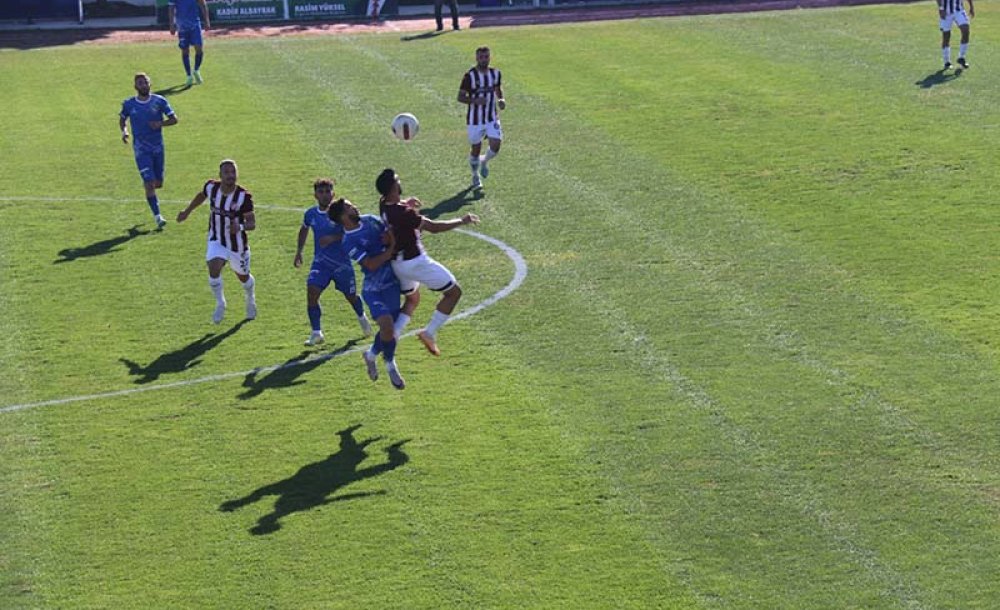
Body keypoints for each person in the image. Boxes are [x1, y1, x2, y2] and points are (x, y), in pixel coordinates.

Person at [375, 169, 479, 357]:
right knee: (454, 293)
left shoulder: (383, 205)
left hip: (398, 265)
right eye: (398, 180)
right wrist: (462, 221)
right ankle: (429, 333)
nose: (400, 182)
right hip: (415, 262)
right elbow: (434, 227)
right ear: (392, 187)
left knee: (412, 299)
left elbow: (395, 212)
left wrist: (406, 203)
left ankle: (393, 336)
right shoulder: (405, 213)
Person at [328, 198, 406, 390]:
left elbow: (390, 230)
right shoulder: (348, 241)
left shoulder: (371, 220)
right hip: (373, 289)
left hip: (392, 284)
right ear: (342, 217)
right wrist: (390, 249)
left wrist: (403, 211)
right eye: (348, 206)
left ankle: (370, 355)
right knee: (387, 325)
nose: (353, 205)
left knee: (389, 331)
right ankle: (390, 364)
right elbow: (370, 264)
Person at [176, 159, 257, 325]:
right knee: (213, 267)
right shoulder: (211, 187)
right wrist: (187, 211)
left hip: (237, 245)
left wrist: (240, 227)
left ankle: (250, 297)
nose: (230, 176)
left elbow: (252, 223)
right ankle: (220, 303)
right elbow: (201, 196)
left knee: (243, 277)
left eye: (233, 172)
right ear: (220, 175)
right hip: (216, 239)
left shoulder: (244, 197)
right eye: (226, 172)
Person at [294, 178, 373, 346]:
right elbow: (304, 229)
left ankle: (362, 317)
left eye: (327, 191)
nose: (324, 195)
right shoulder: (311, 214)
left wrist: (333, 237)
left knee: (351, 296)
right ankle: (316, 332)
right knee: (312, 292)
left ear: (333, 194)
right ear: (315, 195)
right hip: (321, 263)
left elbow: (352, 232)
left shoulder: (340, 214)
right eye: (321, 192)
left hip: (341, 265)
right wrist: (299, 252)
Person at [119, 72, 177, 230]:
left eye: (145, 82)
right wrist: (124, 131)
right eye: (140, 83)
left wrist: (160, 124)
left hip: (158, 148)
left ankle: (150, 186)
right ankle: (158, 217)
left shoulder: (159, 101)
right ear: (135, 86)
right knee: (149, 183)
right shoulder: (129, 104)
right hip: (141, 150)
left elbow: (174, 119)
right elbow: (123, 118)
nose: (143, 85)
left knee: (158, 183)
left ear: (150, 84)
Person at [457, 46, 506, 190]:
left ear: (489, 57)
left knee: (496, 145)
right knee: (476, 149)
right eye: (481, 57)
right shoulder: (469, 76)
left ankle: (484, 161)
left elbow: (497, 89)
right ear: (476, 58)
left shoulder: (495, 73)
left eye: (486, 57)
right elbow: (460, 97)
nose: (484, 59)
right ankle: (475, 176)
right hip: (475, 120)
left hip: (491, 117)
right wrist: (474, 101)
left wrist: (501, 99)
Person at [168, 0, 210, 86]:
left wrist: (206, 20)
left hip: (195, 24)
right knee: (185, 50)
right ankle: (189, 75)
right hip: (182, 26)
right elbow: (171, 8)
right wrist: (172, 24)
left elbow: (203, 4)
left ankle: (196, 70)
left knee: (199, 48)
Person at [938, 0, 974, 69]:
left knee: (966, 30)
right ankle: (947, 62)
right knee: (946, 37)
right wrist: (941, 8)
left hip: (959, 10)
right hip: (946, 12)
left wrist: (971, 7)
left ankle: (961, 57)